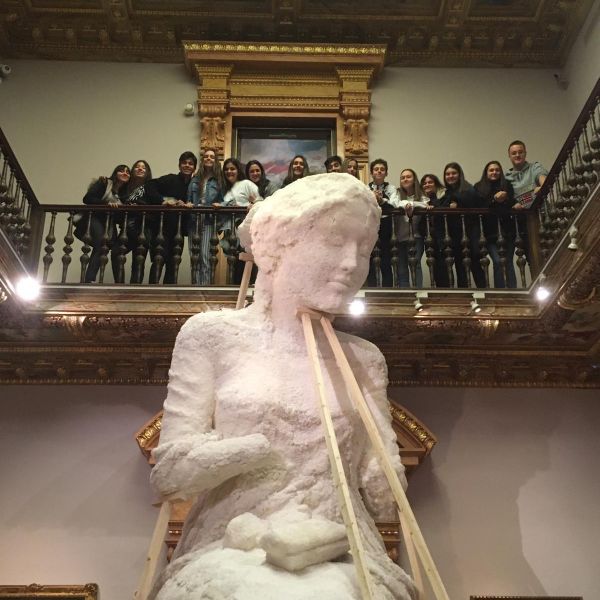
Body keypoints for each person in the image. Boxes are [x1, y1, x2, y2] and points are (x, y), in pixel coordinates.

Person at [149, 173, 414, 600]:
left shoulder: (363, 359)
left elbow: (385, 501)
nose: (351, 264)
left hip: (340, 546)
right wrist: (256, 447)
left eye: (364, 250)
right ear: (277, 246)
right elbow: (170, 475)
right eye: (334, 242)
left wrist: (385, 467)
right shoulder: (212, 336)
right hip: (230, 543)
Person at [145, 151, 198, 284]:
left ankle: (169, 293)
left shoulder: (193, 185)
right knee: (159, 260)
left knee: (174, 263)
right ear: (179, 165)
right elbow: (149, 185)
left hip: (178, 231)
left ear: (194, 167)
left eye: (190, 163)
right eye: (184, 163)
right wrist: (164, 200)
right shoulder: (170, 179)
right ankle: (152, 291)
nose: (187, 165)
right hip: (162, 229)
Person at [74, 164, 130, 283]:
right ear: (115, 173)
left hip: (109, 222)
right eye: (121, 171)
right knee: (101, 242)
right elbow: (87, 198)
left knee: (108, 246)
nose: (125, 173)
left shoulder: (124, 194)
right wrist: (106, 205)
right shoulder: (104, 183)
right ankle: (89, 280)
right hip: (94, 217)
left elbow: (120, 216)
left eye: (127, 172)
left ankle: (116, 283)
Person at [440, 162, 486, 288]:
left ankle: (483, 292)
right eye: (447, 174)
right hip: (455, 234)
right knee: (460, 266)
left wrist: (457, 203)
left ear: (459, 174)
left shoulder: (469, 189)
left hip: (470, 233)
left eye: (453, 173)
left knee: (475, 264)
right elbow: (443, 205)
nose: (450, 176)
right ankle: (464, 294)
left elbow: (473, 201)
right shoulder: (447, 192)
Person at [474, 161, 517, 288]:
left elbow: (511, 202)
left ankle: (513, 291)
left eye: (497, 170)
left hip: (508, 230)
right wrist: (494, 199)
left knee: (508, 262)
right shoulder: (479, 187)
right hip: (489, 232)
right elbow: (480, 206)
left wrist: (507, 200)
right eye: (491, 170)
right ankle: (500, 291)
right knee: (497, 261)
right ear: (486, 172)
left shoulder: (507, 185)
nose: (494, 172)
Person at [505, 140, 548, 264]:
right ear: (509, 156)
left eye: (520, 152)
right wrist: (532, 194)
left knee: (548, 252)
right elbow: (509, 202)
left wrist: (523, 201)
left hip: (542, 217)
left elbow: (544, 184)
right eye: (514, 153)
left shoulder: (534, 167)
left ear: (525, 153)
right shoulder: (507, 177)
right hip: (522, 222)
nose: (517, 155)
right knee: (532, 257)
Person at [221, 158, 262, 283]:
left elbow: (260, 201)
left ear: (238, 170)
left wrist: (252, 204)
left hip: (244, 229)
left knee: (246, 262)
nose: (229, 171)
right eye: (227, 169)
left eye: (232, 169)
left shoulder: (246, 184)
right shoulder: (226, 189)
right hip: (231, 232)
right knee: (234, 263)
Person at [187, 148, 225, 285]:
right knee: (194, 257)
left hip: (208, 220)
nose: (209, 158)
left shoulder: (219, 181)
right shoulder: (194, 179)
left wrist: (220, 205)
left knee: (205, 256)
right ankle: (195, 288)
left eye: (212, 157)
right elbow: (189, 199)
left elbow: (224, 200)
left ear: (215, 161)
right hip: (194, 220)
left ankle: (205, 289)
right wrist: (188, 204)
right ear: (203, 160)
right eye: (206, 156)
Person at [120, 159, 154, 284]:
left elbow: (153, 203)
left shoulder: (150, 187)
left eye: (143, 167)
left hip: (143, 228)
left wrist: (139, 205)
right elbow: (116, 194)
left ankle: (135, 287)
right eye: (137, 167)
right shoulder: (125, 187)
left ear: (147, 172)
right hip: (127, 227)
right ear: (132, 170)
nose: (140, 169)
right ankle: (119, 285)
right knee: (117, 253)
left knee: (138, 261)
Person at [397, 169, 431, 288]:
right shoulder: (397, 193)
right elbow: (395, 203)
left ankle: (418, 292)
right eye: (403, 177)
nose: (405, 179)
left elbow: (425, 204)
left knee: (416, 265)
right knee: (401, 269)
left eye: (408, 177)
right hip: (399, 238)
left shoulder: (421, 195)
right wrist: (406, 204)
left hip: (416, 237)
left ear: (414, 179)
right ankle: (404, 294)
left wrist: (411, 204)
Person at [367, 158, 398, 287]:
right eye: (376, 169)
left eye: (382, 169)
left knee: (386, 259)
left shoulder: (391, 188)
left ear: (386, 173)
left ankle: (388, 289)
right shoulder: (366, 188)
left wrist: (382, 200)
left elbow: (395, 204)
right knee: (370, 259)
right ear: (371, 173)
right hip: (370, 227)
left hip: (386, 227)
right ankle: (372, 289)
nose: (379, 171)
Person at [420, 174, 448, 287]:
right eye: (425, 183)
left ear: (436, 184)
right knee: (434, 266)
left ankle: (445, 290)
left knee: (443, 266)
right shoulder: (421, 200)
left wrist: (433, 205)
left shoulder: (443, 196)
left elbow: (442, 209)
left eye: (430, 182)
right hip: (429, 238)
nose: (427, 185)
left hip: (442, 237)